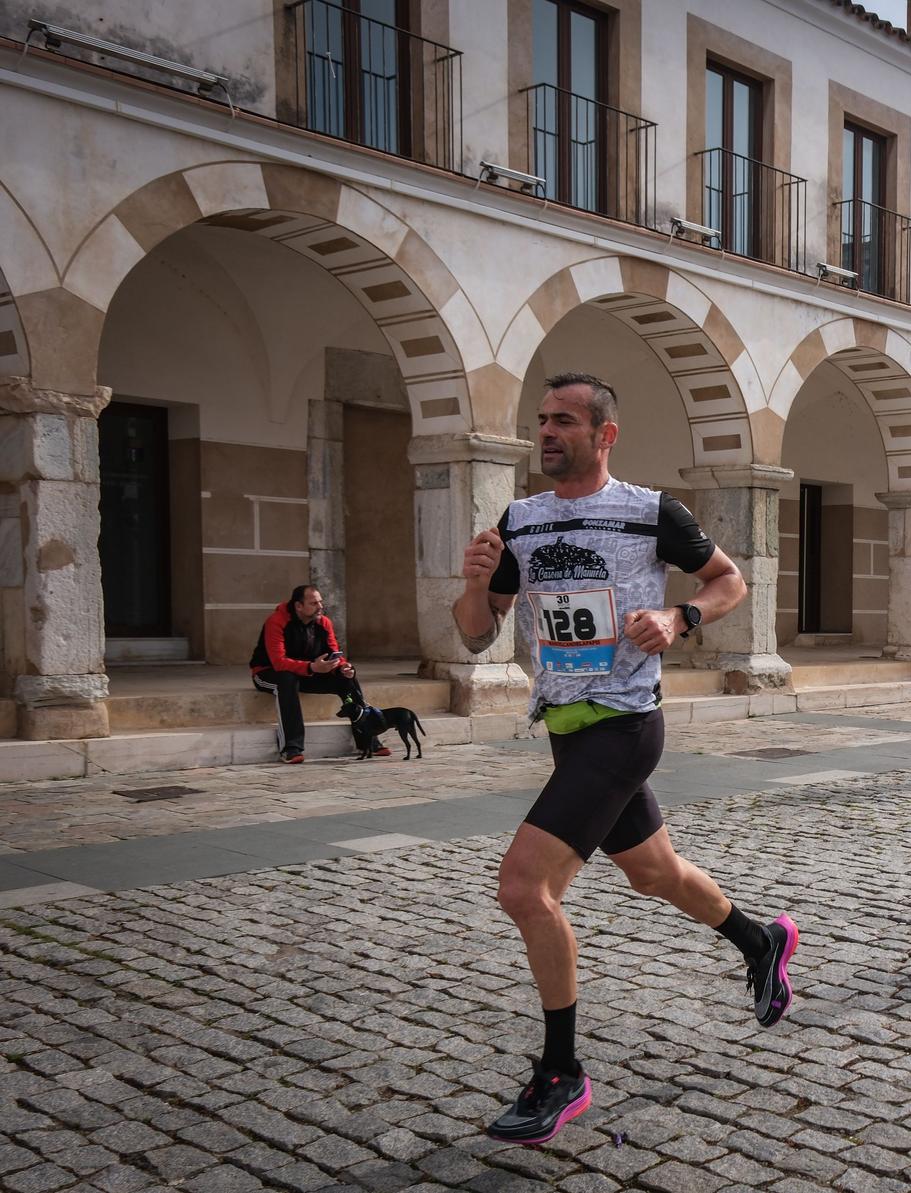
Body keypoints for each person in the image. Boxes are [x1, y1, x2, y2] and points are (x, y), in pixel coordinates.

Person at [454, 372, 798, 1147]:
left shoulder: (650, 512)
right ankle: (760, 940)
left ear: (604, 435)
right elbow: (478, 632)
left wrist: (681, 617)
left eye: (564, 421)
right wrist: (475, 583)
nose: (546, 432)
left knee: (523, 886)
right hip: (566, 728)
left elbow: (730, 580)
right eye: (541, 420)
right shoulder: (520, 521)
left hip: (625, 724)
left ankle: (561, 1070)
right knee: (654, 873)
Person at [249, 584, 375, 763]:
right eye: (314, 603)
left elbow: (335, 653)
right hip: (267, 673)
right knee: (286, 679)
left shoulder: (324, 622)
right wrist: (311, 668)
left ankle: (368, 740)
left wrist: (343, 668)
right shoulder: (276, 621)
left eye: (320, 602)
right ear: (298, 606)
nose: (320, 607)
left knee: (347, 679)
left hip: (307, 672)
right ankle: (291, 748)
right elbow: (278, 663)